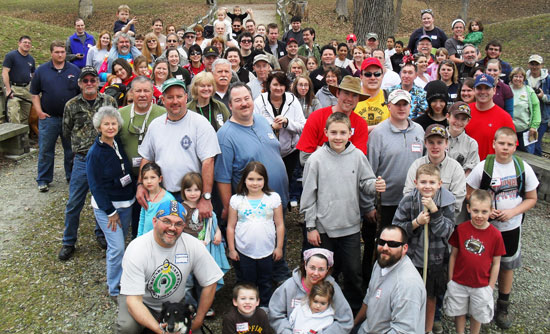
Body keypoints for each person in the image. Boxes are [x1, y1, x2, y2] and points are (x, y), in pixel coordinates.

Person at [301, 112, 386, 312]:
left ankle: (354, 310)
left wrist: (375, 185)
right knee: (325, 271)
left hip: (350, 227)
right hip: (323, 228)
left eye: (342, 132)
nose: (338, 137)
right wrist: (311, 226)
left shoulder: (357, 156)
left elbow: (365, 182)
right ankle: (322, 306)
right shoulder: (316, 160)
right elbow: (308, 196)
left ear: (350, 133)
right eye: (333, 132)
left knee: (353, 272)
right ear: (325, 133)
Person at [215, 83, 291, 282]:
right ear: (230, 105)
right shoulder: (225, 136)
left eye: (247, 98)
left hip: (277, 200)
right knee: (252, 249)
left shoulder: (261, 121)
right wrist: (226, 207)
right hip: (252, 208)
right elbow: (223, 177)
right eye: (237, 100)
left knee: (275, 240)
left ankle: (276, 280)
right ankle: (252, 291)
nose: (244, 104)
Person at [466, 127, 538, 329]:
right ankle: (477, 300)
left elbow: (532, 198)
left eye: (509, 144)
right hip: (484, 227)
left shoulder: (522, 167)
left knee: (507, 265)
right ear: (494, 144)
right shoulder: (484, 167)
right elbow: (468, 192)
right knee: (480, 262)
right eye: (501, 143)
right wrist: (485, 211)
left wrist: (513, 212)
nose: (505, 148)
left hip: (511, 226)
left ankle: (503, 305)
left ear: (515, 146)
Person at [117, 200, 224, 333]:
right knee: (127, 327)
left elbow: (211, 281)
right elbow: (134, 301)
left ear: (184, 226)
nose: (172, 228)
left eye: (178, 223)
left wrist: (198, 320)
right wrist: (160, 330)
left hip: (174, 306)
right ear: (155, 221)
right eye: (166, 221)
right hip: (142, 302)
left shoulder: (192, 245)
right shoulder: (137, 249)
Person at [363, 89, 425, 283]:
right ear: (389, 106)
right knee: (379, 246)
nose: (401, 108)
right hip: (385, 203)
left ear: (410, 106)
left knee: (405, 244)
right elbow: (369, 171)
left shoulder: (419, 131)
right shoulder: (378, 133)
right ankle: (370, 284)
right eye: (397, 104)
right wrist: (368, 205)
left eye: (404, 104)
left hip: (411, 202)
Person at [137, 78, 220, 219]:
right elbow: (147, 157)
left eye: (179, 96)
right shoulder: (155, 125)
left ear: (186, 98)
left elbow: (208, 162)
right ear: (162, 100)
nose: (175, 101)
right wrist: (140, 184)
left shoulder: (200, 124)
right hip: (161, 194)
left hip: (191, 196)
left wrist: (206, 198)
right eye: (170, 97)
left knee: (191, 237)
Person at [59, 66, 118, 261]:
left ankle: (101, 234)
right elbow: (66, 132)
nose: (90, 83)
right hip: (83, 160)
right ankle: (68, 241)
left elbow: (115, 125)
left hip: (105, 158)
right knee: (74, 201)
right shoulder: (71, 105)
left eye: (93, 80)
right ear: (80, 83)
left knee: (104, 200)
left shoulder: (108, 101)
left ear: (98, 82)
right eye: (86, 81)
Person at [393, 163, 455, 334]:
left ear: (439, 184)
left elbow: (446, 231)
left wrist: (435, 213)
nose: (427, 186)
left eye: (432, 182)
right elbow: (396, 229)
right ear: (416, 182)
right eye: (423, 182)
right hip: (412, 259)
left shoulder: (447, 202)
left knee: (430, 296)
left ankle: (427, 329)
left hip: (435, 259)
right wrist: (416, 223)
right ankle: (408, 326)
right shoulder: (408, 201)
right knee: (409, 294)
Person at [86, 106, 135, 298]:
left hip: (126, 204)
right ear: (99, 127)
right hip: (109, 209)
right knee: (117, 248)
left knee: (120, 244)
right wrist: (109, 211)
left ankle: (123, 278)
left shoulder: (117, 144)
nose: (110, 127)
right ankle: (115, 288)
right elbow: (95, 186)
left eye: (113, 123)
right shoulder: (95, 153)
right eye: (106, 124)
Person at [444, 189, 506, 334]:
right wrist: (451, 279)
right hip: (459, 282)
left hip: (481, 285)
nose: (479, 215)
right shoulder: (461, 229)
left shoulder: (495, 235)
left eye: (484, 212)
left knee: (477, 313)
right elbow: (453, 255)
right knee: (459, 311)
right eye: (476, 210)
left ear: (491, 211)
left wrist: (490, 286)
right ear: (468, 208)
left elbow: (497, 263)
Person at [226, 161, 285, 307]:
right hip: (244, 251)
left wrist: (279, 247)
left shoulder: (273, 198)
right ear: (244, 180)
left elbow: (280, 224)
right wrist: (232, 249)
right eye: (251, 179)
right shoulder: (237, 200)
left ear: (265, 180)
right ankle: (247, 308)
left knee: (265, 281)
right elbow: (230, 227)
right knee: (247, 282)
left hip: (267, 250)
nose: (255, 183)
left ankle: (265, 308)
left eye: (259, 179)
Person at [353, 225, 426, 334]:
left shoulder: (407, 285)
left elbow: (403, 331)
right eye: (381, 242)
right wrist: (353, 326)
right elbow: (369, 299)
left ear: (404, 248)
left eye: (392, 244)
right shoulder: (381, 263)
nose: (385, 248)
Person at [118, 76, 166, 237]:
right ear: (132, 92)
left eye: (146, 90)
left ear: (153, 92)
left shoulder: (163, 114)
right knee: (131, 214)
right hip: (127, 176)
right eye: (138, 90)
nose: (143, 94)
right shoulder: (121, 115)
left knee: (153, 214)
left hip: (155, 178)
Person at [30, 40, 80, 192]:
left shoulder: (74, 70)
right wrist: (39, 112)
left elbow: (79, 94)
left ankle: (71, 176)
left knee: (71, 150)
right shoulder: (42, 70)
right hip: (49, 117)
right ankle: (43, 179)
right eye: (57, 52)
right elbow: (34, 93)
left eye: (62, 52)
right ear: (51, 53)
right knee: (46, 149)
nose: (60, 54)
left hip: (69, 118)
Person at [268, 248, 354, 333]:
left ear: (327, 269)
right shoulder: (290, 285)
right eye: (312, 268)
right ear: (305, 265)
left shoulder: (332, 288)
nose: (316, 273)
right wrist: (286, 331)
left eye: (321, 269)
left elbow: (345, 321)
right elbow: (275, 313)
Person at [297, 75, 369, 160]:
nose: (349, 98)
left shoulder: (361, 124)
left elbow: (358, 160)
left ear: (358, 99)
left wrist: (320, 150)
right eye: (346, 93)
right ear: (338, 93)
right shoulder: (316, 117)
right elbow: (305, 157)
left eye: (354, 95)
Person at [403, 123, 466, 216]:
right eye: (431, 142)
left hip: (445, 221)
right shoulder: (416, 165)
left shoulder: (456, 168)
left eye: (439, 142)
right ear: (425, 143)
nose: (435, 146)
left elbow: (456, 202)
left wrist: (435, 212)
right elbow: (408, 195)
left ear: (446, 143)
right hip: (418, 219)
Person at [254, 71, 305, 184]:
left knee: (287, 183)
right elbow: (254, 128)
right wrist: (271, 127)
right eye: (275, 84)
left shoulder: (292, 100)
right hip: (267, 153)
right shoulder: (259, 102)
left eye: (281, 85)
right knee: (269, 183)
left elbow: (302, 126)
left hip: (290, 152)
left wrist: (287, 123)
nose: (278, 88)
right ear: (269, 85)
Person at [465, 74, 515, 160]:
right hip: (466, 166)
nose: (483, 92)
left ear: (494, 90)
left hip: (491, 168)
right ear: (474, 90)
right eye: (479, 88)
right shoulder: (465, 112)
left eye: (487, 88)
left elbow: (512, 146)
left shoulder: (504, 118)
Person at [2, 35, 35, 125]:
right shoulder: (11, 56)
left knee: (26, 115)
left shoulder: (31, 59)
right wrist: (8, 90)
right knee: (13, 114)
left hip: (27, 89)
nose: (27, 44)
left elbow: (33, 75)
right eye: (25, 42)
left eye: (29, 43)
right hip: (14, 89)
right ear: (19, 43)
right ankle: (15, 137)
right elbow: (5, 73)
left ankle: (23, 136)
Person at [137, 162, 175, 236]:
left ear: (160, 179)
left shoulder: (168, 199)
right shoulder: (145, 196)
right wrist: (139, 237)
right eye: (145, 178)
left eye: (153, 177)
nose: (149, 181)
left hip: (160, 239)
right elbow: (142, 220)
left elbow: (171, 222)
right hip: (145, 238)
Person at [354, 57, 390, 132]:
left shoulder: (389, 97)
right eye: (368, 74)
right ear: (361, 76)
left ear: (382, 76)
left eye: (377, 74)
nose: (373, 78)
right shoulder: (352, 98)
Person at [510, 67, 541, 153]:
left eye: (520, 77)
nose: (518, 79)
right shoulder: (507, 89)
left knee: (527, 155)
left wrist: (534, 126)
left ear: (524, 78)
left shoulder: (529, 91)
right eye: (516, 76)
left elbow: (536, 108)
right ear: (512, 77)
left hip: (525, 130)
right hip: (510, 130)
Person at [445, 102, 480, 175]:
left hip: (461, 184)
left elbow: (470, 172)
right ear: (448, 116)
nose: (459, 122)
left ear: (468, 121)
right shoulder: (436, 138)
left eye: (463, 119)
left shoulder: (471, 144)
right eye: (456, 117)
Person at [526, 54, 550, 156]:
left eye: (537, 64)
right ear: (529, 65)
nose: (534, 67)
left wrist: (543, 96)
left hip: (542, 117)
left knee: (536, 143)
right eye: (532, 64)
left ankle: (538, 167)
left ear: (541, 65)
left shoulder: (547, 79)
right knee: (529, 143)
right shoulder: (524, 78)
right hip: (527, 116)